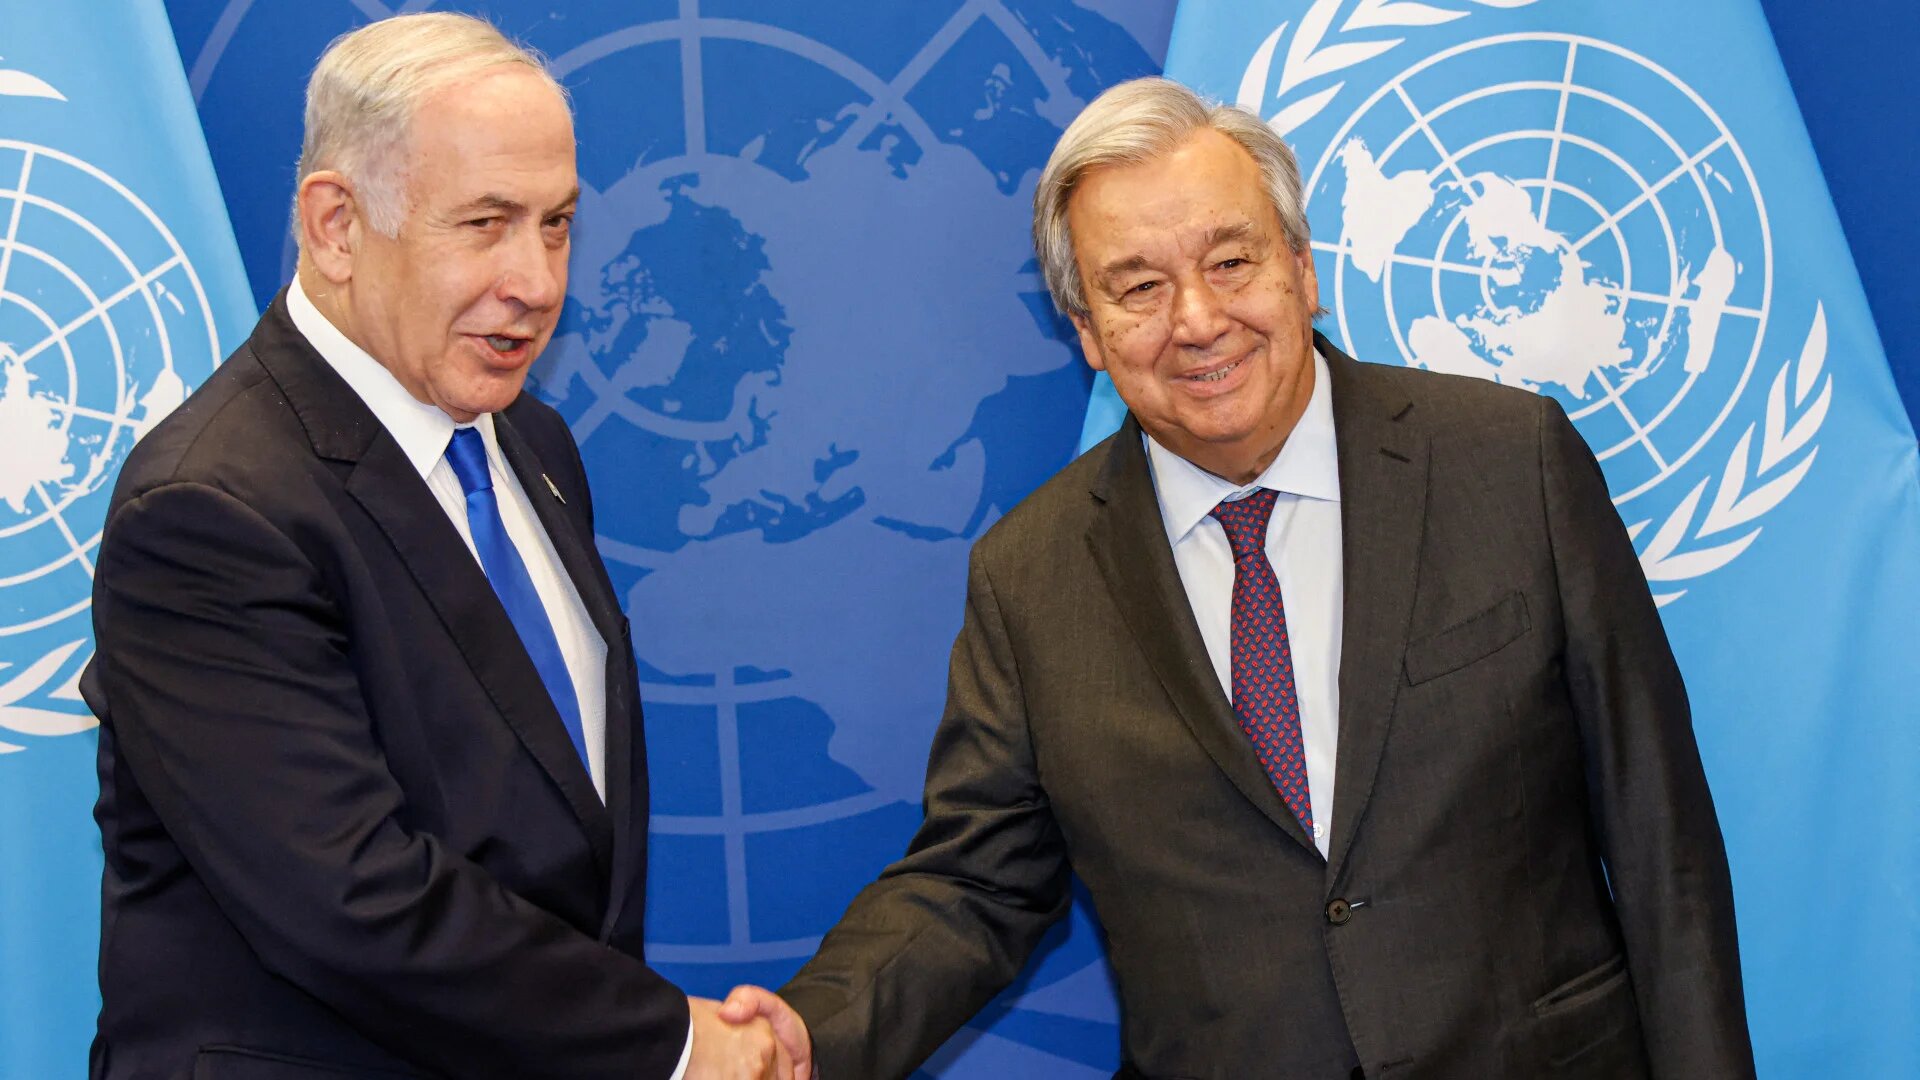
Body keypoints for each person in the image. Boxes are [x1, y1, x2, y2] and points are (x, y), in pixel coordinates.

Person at [721, 77, 1756, 1079]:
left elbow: (1658, 832)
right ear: (1087, 332)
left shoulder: (1509, 462)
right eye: (1138, 287)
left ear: (1302, 270)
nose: (1198, 319)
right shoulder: (1029, 577)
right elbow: (975, 882)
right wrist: (812, 1034)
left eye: (1231, 261)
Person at [83, 14, 788, 1079]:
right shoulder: (210, 509)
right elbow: (348, 898)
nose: (538, 280)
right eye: (486, 223)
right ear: (336, 226)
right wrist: (678, 1045)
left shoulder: (532, 444)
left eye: (556, 224)